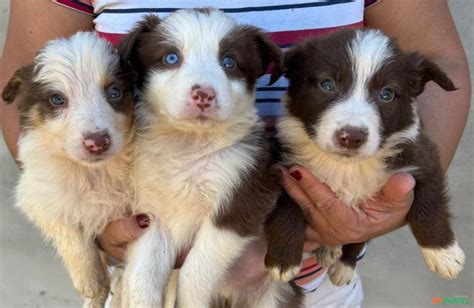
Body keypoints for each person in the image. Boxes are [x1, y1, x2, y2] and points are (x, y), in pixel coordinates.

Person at [0, 0, 470, 306]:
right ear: (134, 59)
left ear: (264, 70)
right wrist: (87, 221)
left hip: (297, 282)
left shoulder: (241, 153)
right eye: (169, 60)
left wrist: (389, 197)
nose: (202, 87)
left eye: (229, 64)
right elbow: (27, 83)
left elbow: (432, 61)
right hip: (140, 278)